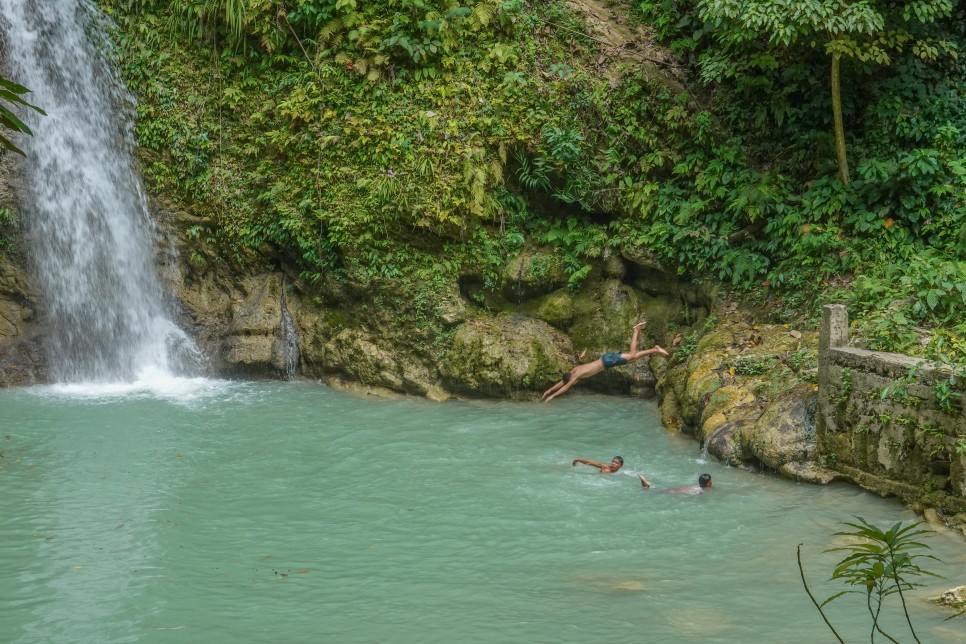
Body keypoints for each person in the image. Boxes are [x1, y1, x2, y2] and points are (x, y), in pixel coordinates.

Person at [542, 322, 669, 403]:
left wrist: (552, 396)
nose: (574, 383)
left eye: (572, 382)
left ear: (572, 379)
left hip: (607, 362)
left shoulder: (576, 375)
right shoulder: (574, 370)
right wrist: (549, 390)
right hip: (606, 359)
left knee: (632, 355)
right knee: (633, 358)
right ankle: (655, 349)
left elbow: (565, 387)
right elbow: (562, 382)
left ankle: (636, 331)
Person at [638, 472, 712, 494]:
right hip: (675, 492)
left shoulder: (697, 486)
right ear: (708, 483)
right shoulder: (701, 490)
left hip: (676, 489)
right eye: (710, 481)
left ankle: (647, 485)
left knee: (659, 490)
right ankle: (647, 485)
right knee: (658, 491)